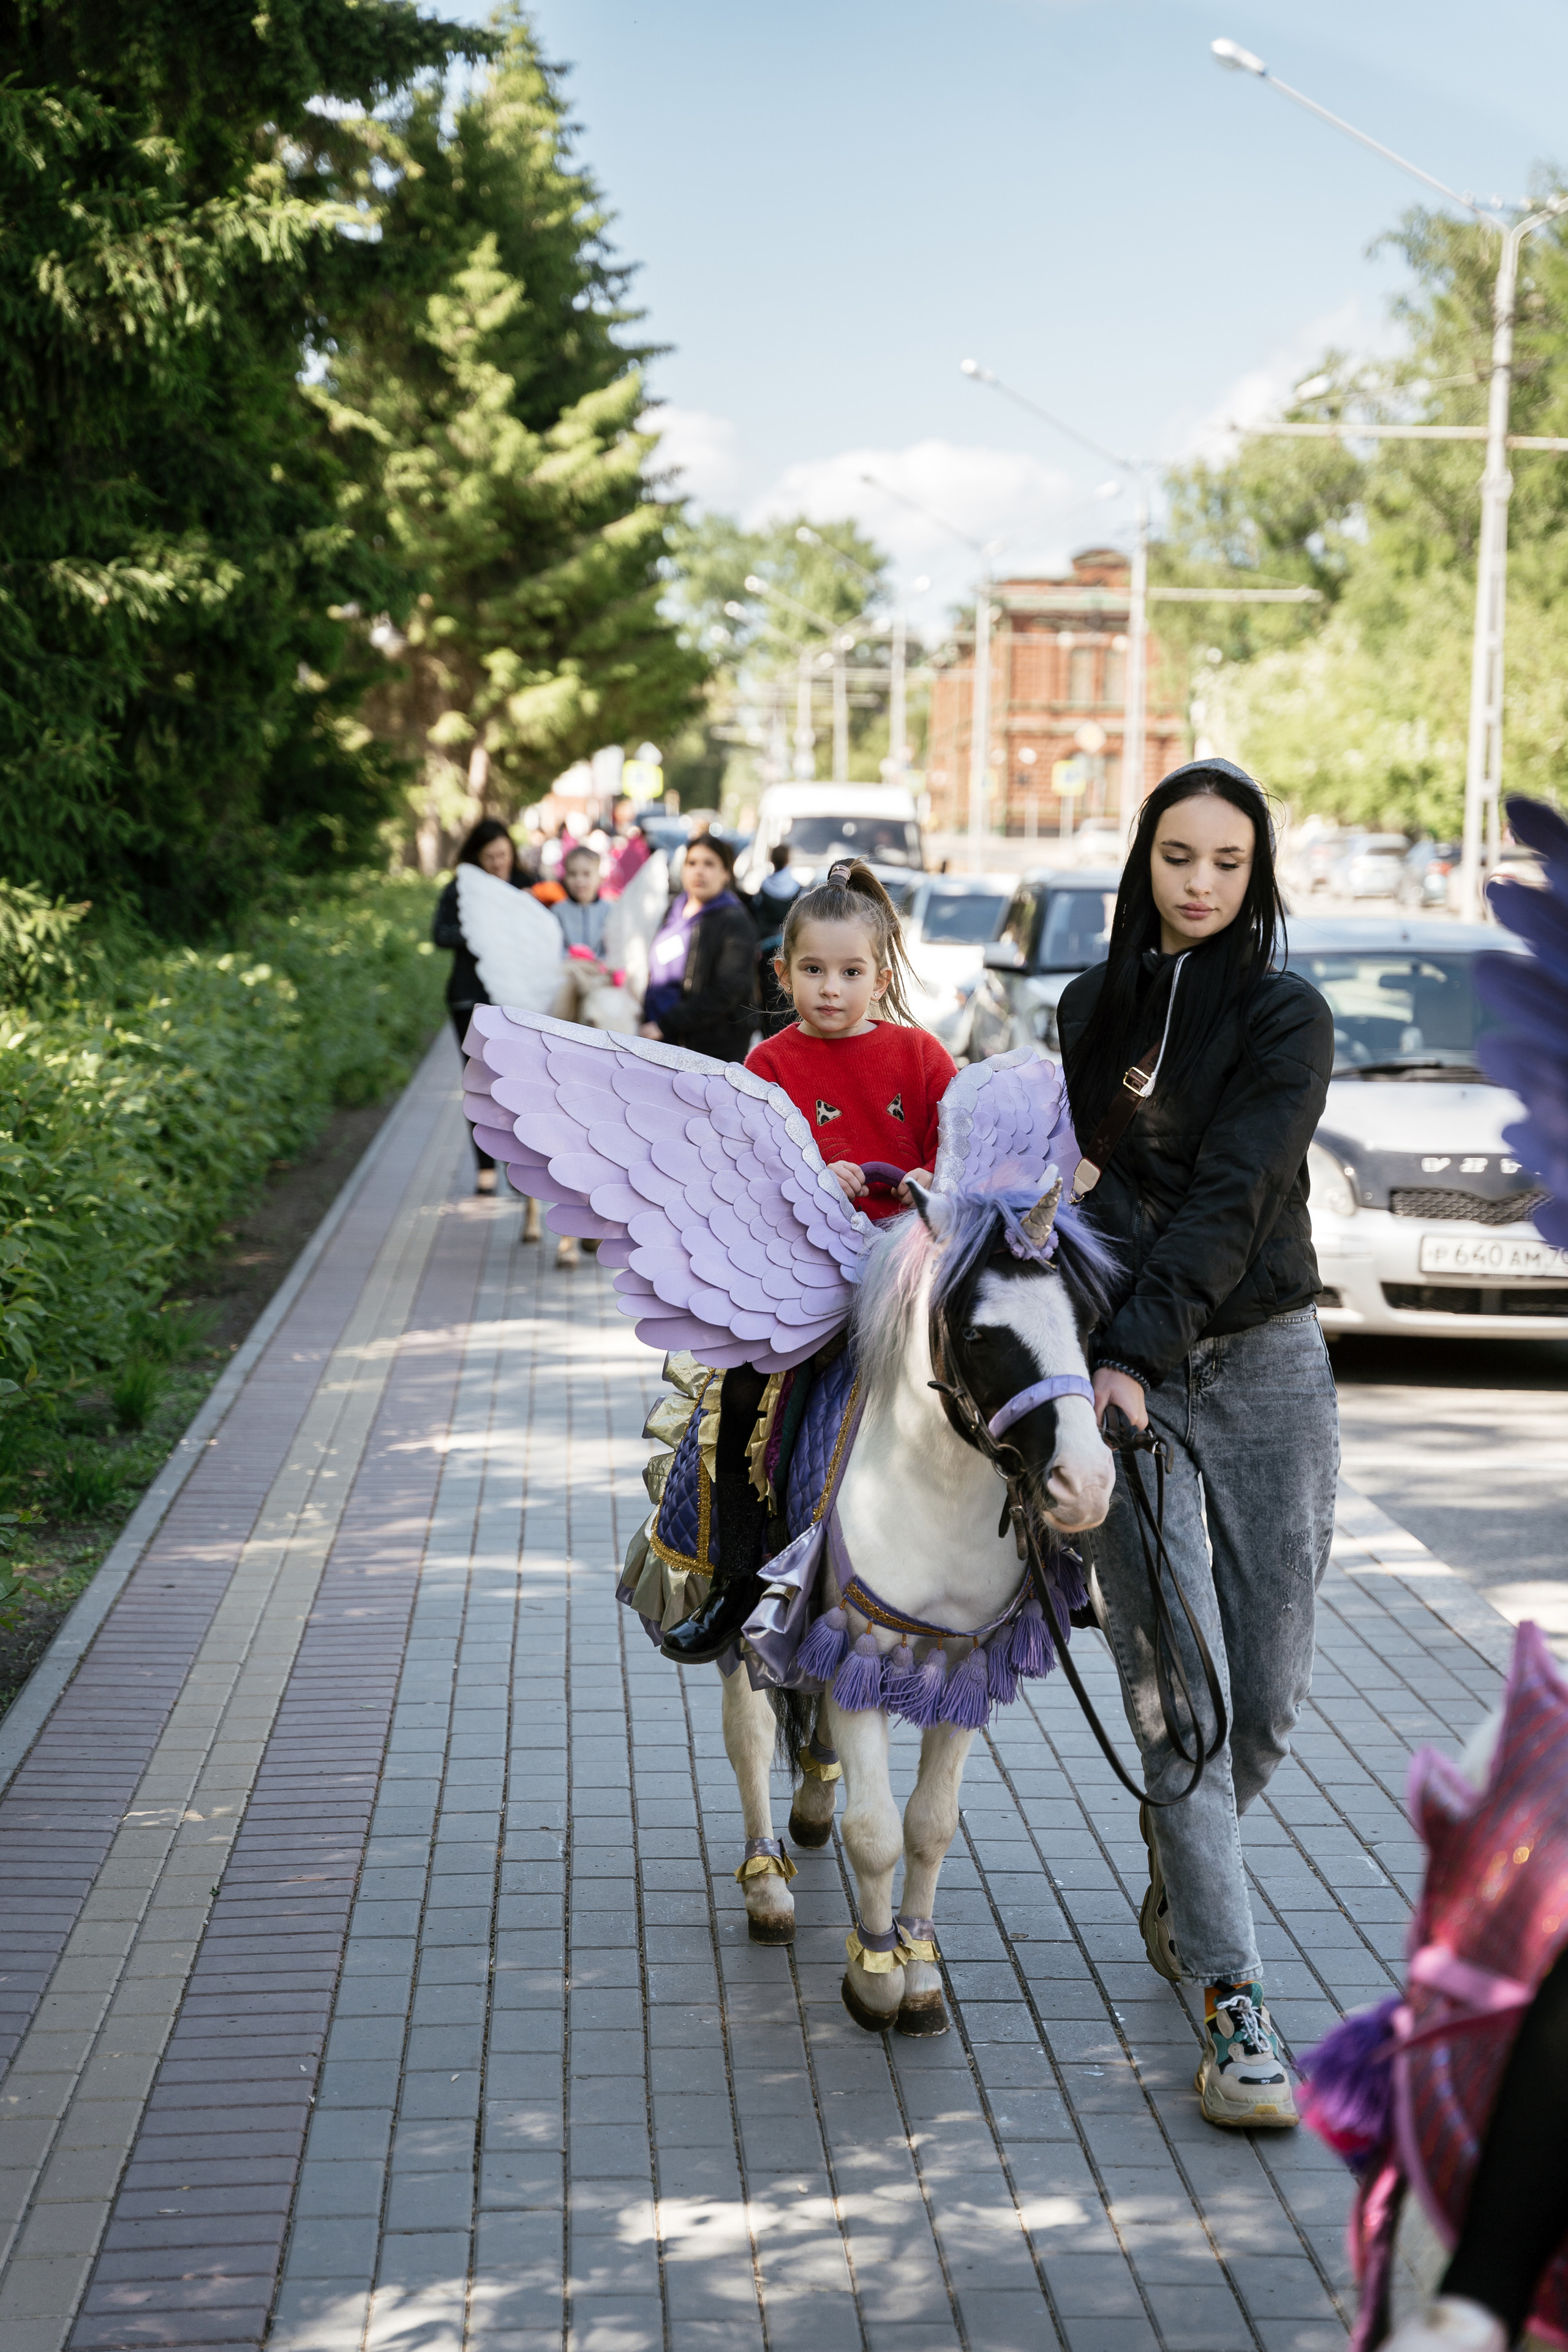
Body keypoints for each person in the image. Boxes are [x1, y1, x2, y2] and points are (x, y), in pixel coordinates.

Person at [1056, 758, 1336, 2133]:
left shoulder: (1287, 1016)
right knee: (1179, 1701)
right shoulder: (1087, 1008)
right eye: (1177, 855)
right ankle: (1232, 2004)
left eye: (1227, 862)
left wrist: (1124, 1344)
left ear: (1255, 873)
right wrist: (1086, 1374)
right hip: (1131, 1398)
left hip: (1265, 1359)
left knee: (1267, 1695)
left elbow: (1230, 1199)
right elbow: (1094, 1210)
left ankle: (1184, 1863)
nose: (1199, 883)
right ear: (1142, 861)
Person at [662, 858, 957, 1666]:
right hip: (806, 1281)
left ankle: (1042, 1556)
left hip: (904, 1275)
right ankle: (736, 1579)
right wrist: (808, 1179)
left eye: (851, 972)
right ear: (783, 973)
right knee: (742, 1400)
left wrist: (936, 1178)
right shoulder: (767, 1068)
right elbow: (743, 1178)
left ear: (880, 974)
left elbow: (961, 1149)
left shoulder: (922, 1059)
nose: (832, 988)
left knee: (998, 1371)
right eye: (815, 971)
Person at [432, 818, 525, 1200]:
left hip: (516, 1003)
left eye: (504, 855)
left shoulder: (525, 884)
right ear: (477, 856)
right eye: (490, 857)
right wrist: (478, 932)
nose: (498, 863)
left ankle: (520, 1168)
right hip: (469, 1000)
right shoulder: (460, 888)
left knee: (516, 1087)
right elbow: (439, 934)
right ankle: (486, 1169)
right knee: (478, 1086)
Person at [639, 833, 756, 1063]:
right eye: (692, 863)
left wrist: (666, 1024)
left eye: (709, 864)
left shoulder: (734, 921)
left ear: (726, 873)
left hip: (705, 1049)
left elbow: (726, 992)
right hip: (658, 1039)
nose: (699, 871)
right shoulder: (675, 909)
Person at [749, 842, 802, 1037]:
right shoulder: (797, 888)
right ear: (788, 860)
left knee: (769, 997)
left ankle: (769, 1037)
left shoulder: (764, 886)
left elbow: (756, 916)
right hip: (790, 952)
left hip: (766, 951)